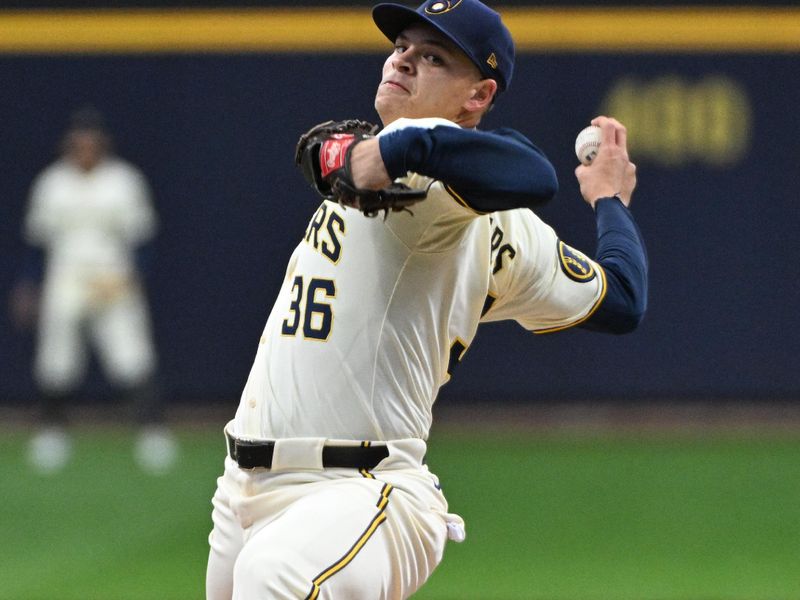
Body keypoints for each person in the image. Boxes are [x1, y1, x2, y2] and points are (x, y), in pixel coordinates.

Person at [205, 0, 647, 598]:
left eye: (433, 57)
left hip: (363, 490)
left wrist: (396, 150)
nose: (404, 60)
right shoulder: (494, 221)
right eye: (401, 48)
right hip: (246, 486)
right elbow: (621, 295)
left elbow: (535, 175)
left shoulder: (419, 158)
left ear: (478, 95)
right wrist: (610, 202)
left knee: (275, 575)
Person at [10, 107, 177, 474]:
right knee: (56, 358)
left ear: (102, 144)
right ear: (69, 145)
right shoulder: (52, 183)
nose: (85, 148)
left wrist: (134, 276)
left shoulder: (123, 181)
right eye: (79, 142)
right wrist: (28, 285)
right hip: (66, 275)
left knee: (132, 356)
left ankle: (152, 434)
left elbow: (142, 239)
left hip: (112, 276)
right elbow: (38, 243)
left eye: (91, 142)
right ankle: (52, 434)